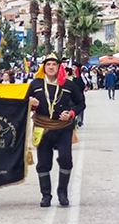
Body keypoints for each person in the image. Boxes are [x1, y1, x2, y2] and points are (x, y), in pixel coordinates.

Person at [27, 55, 86, 208]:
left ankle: (62, 193)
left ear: (59, 67)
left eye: (54, 64)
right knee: (43, 163)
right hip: (43, 127)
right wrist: (32, 104)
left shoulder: (68, 85)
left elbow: (81, 103)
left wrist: (71, 113)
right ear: (44, 68)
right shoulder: (35, 84)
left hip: (63, 128)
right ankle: (46, 195)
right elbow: (23, 103)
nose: (51, 67)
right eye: (48, 65)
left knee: (66, 159)